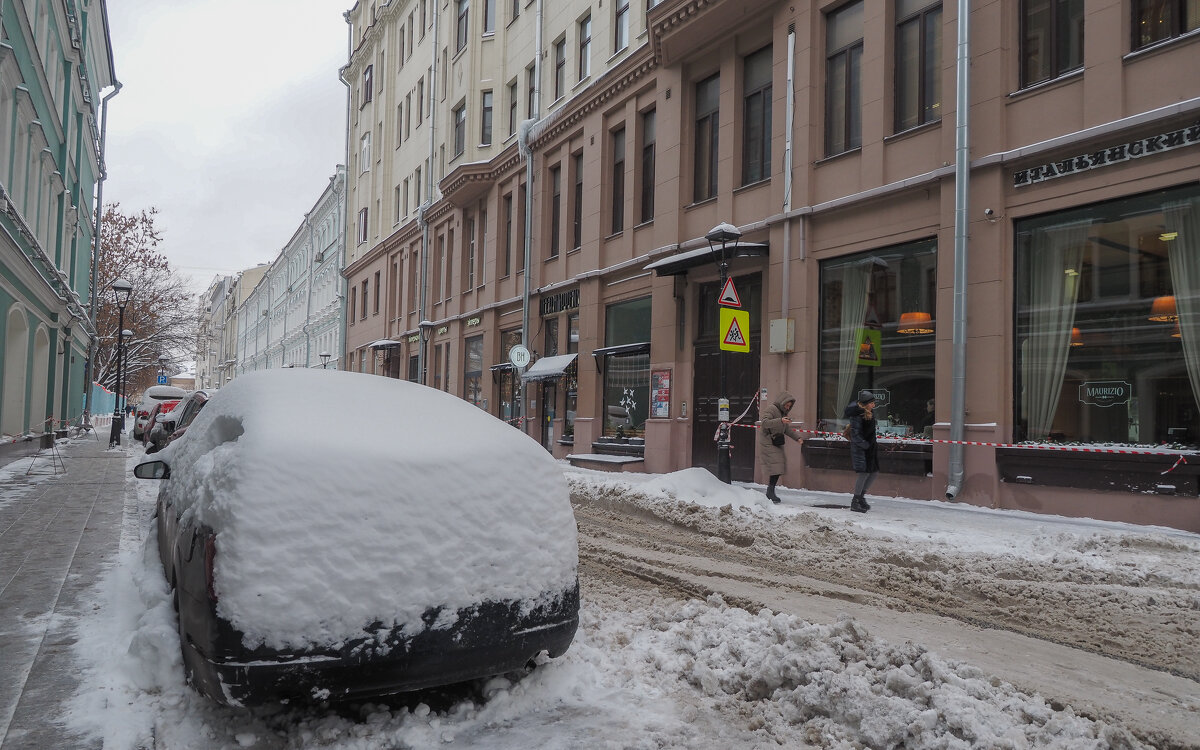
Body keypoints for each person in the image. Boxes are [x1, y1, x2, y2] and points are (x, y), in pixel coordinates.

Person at [758, 391, 804, 503]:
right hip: (768, 441)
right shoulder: (771, 409)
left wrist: (797, 438)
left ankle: (770, 490)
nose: (788, 407)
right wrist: (780, 420)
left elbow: (786, 429)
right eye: (786, 405)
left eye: (789, 406)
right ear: (782, 402)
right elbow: (764, 423)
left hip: (776, 442)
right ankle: (770, 491)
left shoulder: (783, 413)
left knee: (778, 465)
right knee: (777, 465)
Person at [843, 390, 879, 513]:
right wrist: (865, 445)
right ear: (866, 403)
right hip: (861, 449)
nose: (874, 405)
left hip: (869, 448)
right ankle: (855, 501)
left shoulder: (869, 413)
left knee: (873, 472)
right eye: (872, 403)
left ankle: (861, 497)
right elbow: (855, 434)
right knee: (863, 473)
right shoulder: (857, 414)